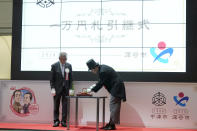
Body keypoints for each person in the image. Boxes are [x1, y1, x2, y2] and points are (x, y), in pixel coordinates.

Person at [86, 59, 126, 130]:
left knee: (114, 106)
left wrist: (92, 90)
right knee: (113, 106)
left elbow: (101, 83)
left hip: (117, 87)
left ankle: (112, 125)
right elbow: (102, 82)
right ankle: (111, 124)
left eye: (91, 70)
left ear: (94, 68)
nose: (92, 72)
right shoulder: (102, 69)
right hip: (116, 87)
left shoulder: (102, 71)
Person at [50, 52, 73, 127]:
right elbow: (51, 79)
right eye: (63, 59)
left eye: (65, 59)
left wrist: (70, 88)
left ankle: (63, 121)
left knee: (65, 106)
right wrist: (52, 88)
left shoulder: (69, 65)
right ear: (59, 58)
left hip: (65, 89)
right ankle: (56, 121)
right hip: (57, 89)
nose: (64, 60)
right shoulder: (54, 65)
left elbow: (71, 78)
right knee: (56, 105)